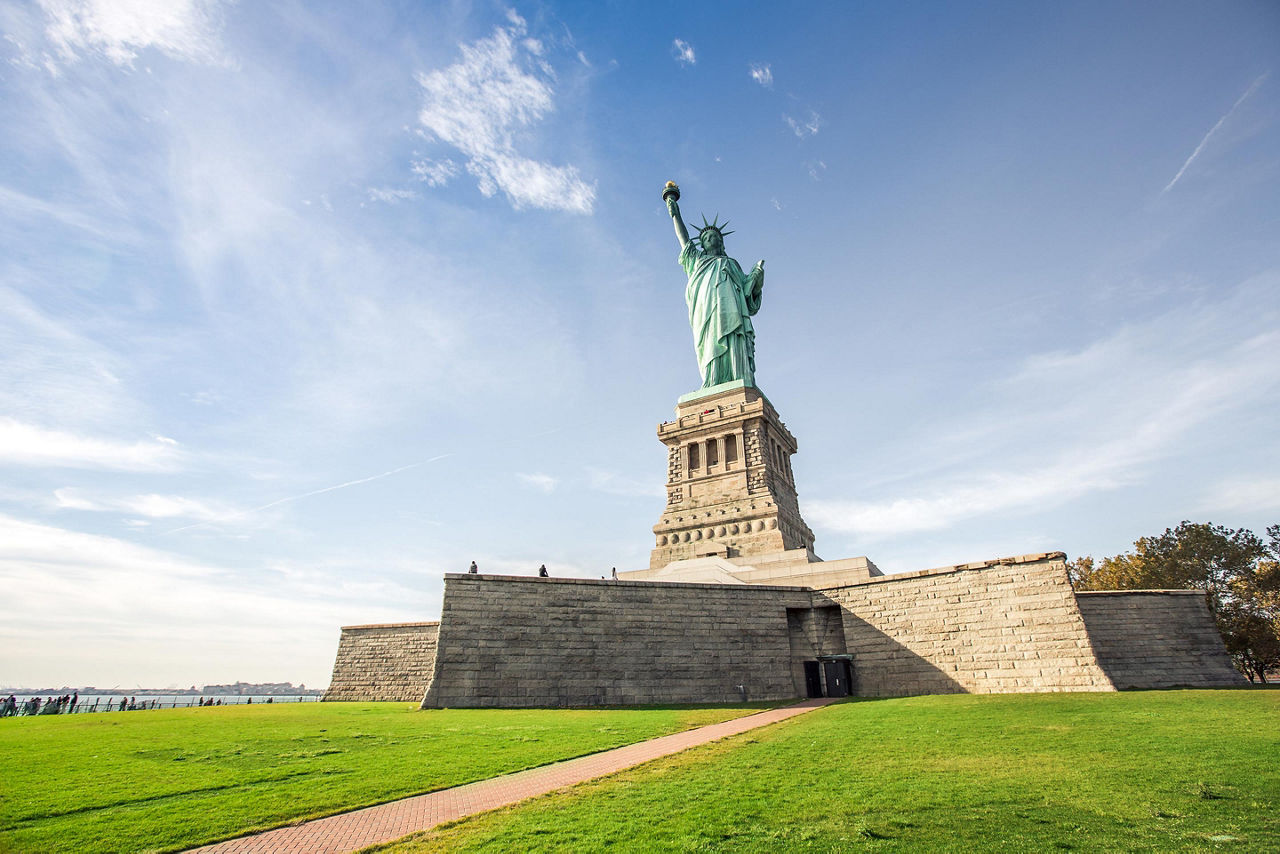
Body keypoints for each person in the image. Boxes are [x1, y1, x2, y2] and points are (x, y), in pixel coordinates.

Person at [664, 183, 764, 388]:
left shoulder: (731, 264)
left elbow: (748, 296)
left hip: (733, 313)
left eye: (714, 237)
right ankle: (713, 380)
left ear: (721, 242)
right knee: (711, 343)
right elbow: (683, 239)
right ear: (702, 244)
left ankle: (739, 377)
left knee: (735, 338)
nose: (711, 239)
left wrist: (756, 278)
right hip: (707, 312)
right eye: (706, 238)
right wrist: (675, 214)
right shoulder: (697, 261)